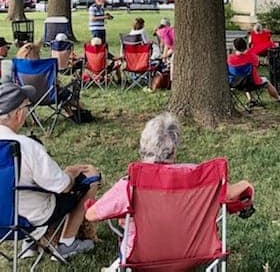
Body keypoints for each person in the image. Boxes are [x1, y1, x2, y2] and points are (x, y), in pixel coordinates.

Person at [86, 113, 254, 270]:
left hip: (141, 259)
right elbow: (232, 193)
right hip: (195, 254)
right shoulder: (200, 177)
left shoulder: (130, 184)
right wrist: (246, 184)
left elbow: (92, 215)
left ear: (142, 148)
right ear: (174, 149)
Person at [0, 83, 99, 260]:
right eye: (26, 106)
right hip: (30, 218)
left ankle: (30, 243)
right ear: (18, 113)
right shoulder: (26, 146)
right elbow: (62, 186)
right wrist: (70, 174)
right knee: (90, 177)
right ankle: (67, 243)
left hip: (4, 222)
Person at [228, 37, 280, 104]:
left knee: (243, 76)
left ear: (234, 47)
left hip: (235, 83)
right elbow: (257, 64)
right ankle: (279, 98)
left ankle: (250, 99)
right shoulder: (250, 55)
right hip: (251, 83)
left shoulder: (230, 58)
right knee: (266, 82)